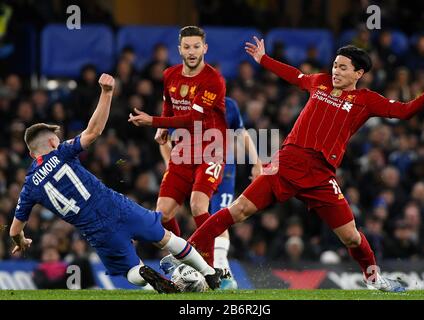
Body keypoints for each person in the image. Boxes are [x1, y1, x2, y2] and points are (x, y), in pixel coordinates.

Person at [184, 37, 424, 292]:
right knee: (238, 210)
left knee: (351, 237)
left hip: (320, 176)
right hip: (286, 163)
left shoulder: (366, 100)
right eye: (334, 65)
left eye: (343, 67)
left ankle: (374, 279)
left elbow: (404, 111)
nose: (335, 71)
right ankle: (182, 254)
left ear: (359, 73)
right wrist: (263, 59)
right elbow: (294, 75)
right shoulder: (319, 82)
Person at [9, 73, 227, 293]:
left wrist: (21, 241)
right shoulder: (62, 152)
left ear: (30, 152)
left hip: (96, 229)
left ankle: (144, 272)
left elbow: (14, 229)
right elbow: (93, 132)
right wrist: (106, 93)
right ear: (51, 142)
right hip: (117, 206)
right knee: (166, 239)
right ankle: (209, 273)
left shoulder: (29, 187)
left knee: (130, 271)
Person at [128, 26, 228, 263]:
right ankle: (186, 260)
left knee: (197, 205)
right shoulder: (169, 75)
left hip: (211, 149)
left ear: (205, 48)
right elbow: (169, 103)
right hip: (182, 151)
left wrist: (153, 121)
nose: (191, 52)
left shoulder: (213, 79)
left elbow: (194, 118)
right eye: (187, 47)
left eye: (196, 46)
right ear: (179, 50)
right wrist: (163, 126)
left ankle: (210, 268)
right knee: (162, 215)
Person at [159, 97, 262, 289]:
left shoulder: (228, 104)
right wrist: (169, 166)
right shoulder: (178, 106)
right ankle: (182, 254)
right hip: (189, 166)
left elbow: (242, 134)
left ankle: (223, 272)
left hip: (223, 167)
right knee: (167, 213)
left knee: (217, 216)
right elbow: (164, 139)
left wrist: (256, 162)